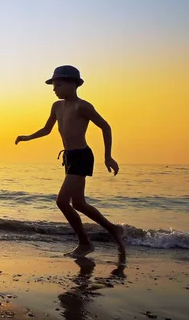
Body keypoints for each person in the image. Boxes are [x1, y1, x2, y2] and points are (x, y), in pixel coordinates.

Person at [15, 65, 125, 257]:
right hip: (70, 157)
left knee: (62, 201)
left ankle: (85, 243)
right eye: (53, 85)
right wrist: (27, 137)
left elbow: (105, 126)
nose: (54, 88)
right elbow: (47, 129)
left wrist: (108, 156)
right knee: (79, 204)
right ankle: (113, 229)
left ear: (73, 84)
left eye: (58, 84)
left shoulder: (83, 106)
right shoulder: (56, 107)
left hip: (82, 156)